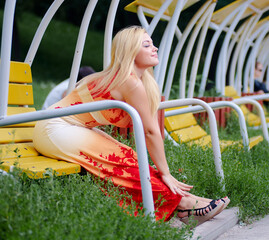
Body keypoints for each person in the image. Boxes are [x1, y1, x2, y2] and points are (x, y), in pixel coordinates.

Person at [33, 26, 229, 224]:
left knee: (129, 157)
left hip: (71, 127)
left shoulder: (136, 81)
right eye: (147, 45)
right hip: (55, 128)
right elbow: (150, 131)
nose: (155, 48)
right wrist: (166, 173)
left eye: (153, 43)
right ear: (130, 50)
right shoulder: (128, 81)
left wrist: (164, 171)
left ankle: (186, 202)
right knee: (119, 159)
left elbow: (148, 128)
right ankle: (184, 203)